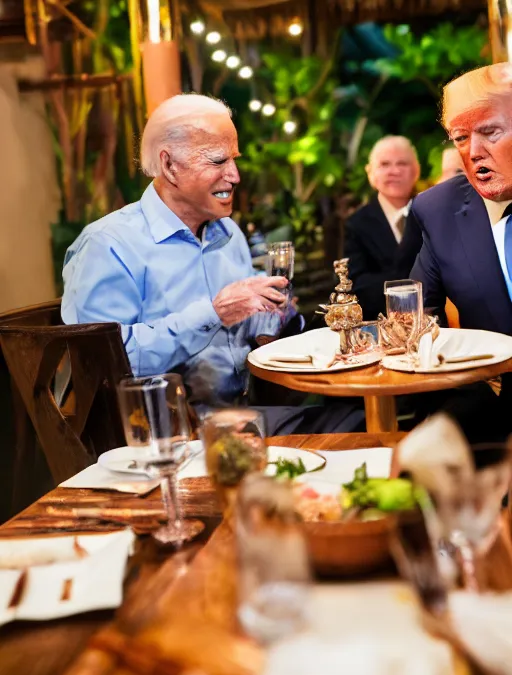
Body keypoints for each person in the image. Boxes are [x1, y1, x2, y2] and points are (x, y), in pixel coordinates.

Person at [61, 94, 363, 435]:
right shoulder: (108, 244)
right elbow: (104, 365)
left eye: (234, 160)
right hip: (162, 434)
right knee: (354, 430)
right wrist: (213, 313)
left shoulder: (227, 233)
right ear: (169, 166)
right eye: (218, 161)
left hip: (237, 417)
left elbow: (248, 331)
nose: (234, 175)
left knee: (358, 415)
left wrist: (273, 317)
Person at [409, 62, 512, 441]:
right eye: (459, 137)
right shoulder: (438, 210)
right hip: (491, 401)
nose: (473, 152)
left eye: (490, 132)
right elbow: (418, 316)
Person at [345, 136, 420, 319]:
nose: (394, 171)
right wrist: (414, 285)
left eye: (402, 163)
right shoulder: (356, 223)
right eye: (384, 164)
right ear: (370, 173)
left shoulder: (431, 214)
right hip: (378, 325)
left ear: (416, 171)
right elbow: (356, 284)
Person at [394, 146, 465, 278]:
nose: (447, 179)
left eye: (458, 172)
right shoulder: (423, 210)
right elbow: (404, 269)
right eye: (444, 173)